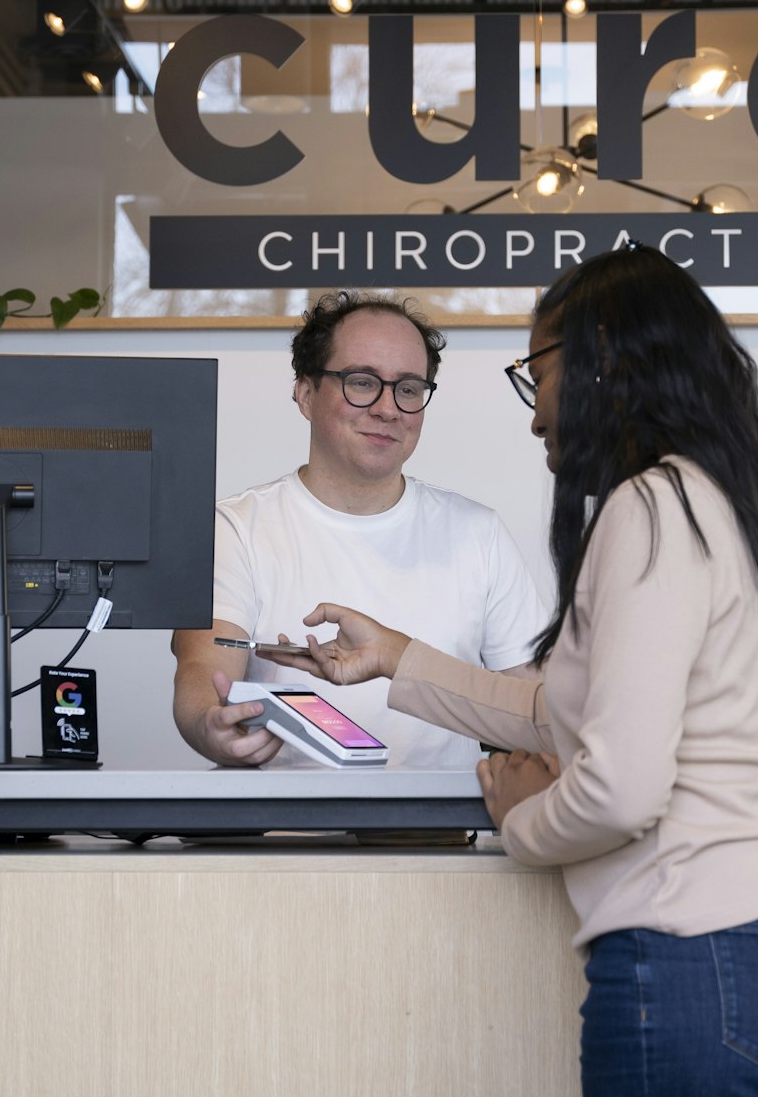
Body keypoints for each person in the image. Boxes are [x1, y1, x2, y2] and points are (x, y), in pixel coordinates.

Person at [278, 245, 758, 1097]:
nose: (534, 406)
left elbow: (619, 790)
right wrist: (397, 658)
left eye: (536, 371)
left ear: (598, 366)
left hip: (695, 966)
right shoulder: (708, 498)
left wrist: (523, 822)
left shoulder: (647, 508)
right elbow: (567, 712)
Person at [171, 289, 549, 769]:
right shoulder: (234, 528)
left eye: (409, 388)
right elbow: (203, 667)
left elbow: (537, 707)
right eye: (363, 382)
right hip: (281, 836)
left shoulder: (479, 533)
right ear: (306, 394)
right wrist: (211, 725)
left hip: (441, 837)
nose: (388, 409)